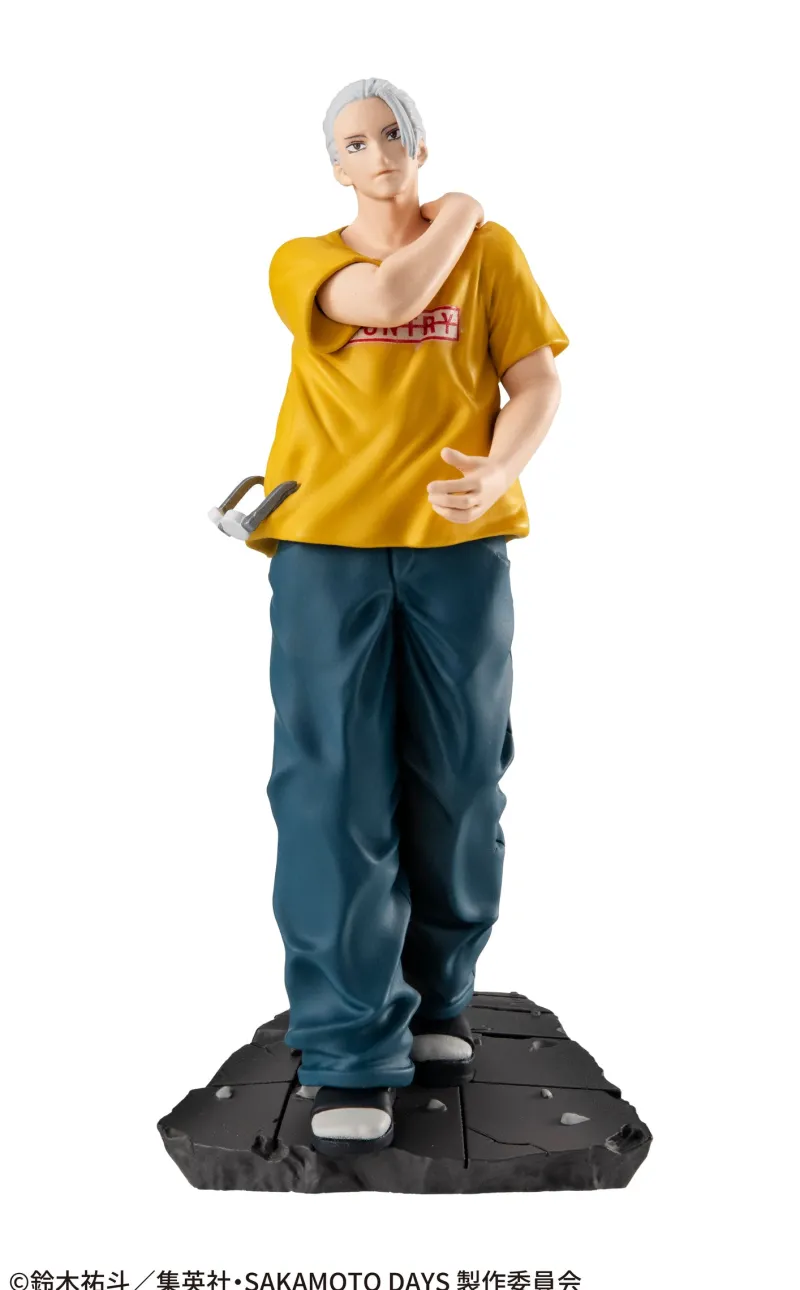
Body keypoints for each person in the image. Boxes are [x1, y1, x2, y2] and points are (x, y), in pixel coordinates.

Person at [244, 77, 569, 1157]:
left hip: (458, 554)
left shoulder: (494, 259)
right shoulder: (305, 262)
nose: (377, 152)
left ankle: (435, 995)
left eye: (392, 133)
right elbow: (386, 299)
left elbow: (533, 381)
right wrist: (461, 207)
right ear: (331, 165)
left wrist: (502, 467)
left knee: (460, 779)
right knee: (334, 787)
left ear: (419, 141)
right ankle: (348, 1047)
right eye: (354, 142)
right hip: (328, 550)